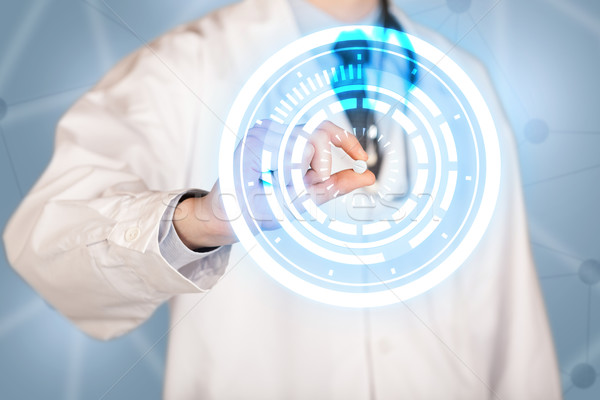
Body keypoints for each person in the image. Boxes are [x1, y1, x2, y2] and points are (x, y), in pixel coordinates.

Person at [3, 0, 562, 398]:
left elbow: (511, 318)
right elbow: (48, 243)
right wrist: (202, 220)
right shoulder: (183, 67)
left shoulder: (461, 77)